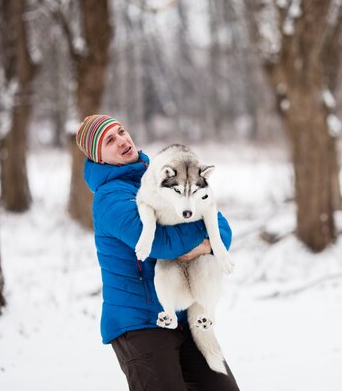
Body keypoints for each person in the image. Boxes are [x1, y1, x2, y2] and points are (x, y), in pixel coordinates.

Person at [76, 114, 240, 391]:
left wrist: (209, 242)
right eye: (109, 140)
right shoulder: (109, 198)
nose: (122, 141)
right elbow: (161, 243)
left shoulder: (162, 175)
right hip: (139, 325)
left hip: (180, 313)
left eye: (121, 131)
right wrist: (205, 236)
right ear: (99, 158)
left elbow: (218, 223)